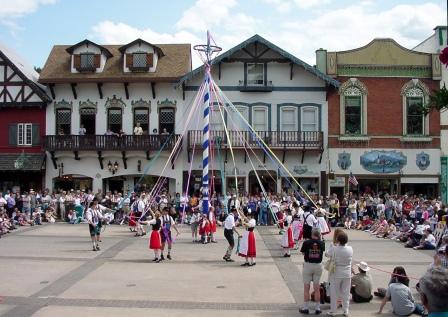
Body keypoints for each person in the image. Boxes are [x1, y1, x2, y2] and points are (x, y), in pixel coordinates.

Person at [299, 228, 325, 315]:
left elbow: (303, 253)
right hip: (318, 266)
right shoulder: (322, 243)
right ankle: (317, 308)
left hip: (308, 265)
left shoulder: (306, 242)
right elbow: (322, 252)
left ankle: (306, 307)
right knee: (317, 288)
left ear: (312, 234)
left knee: (306, 287)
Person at [327, 231, 353, 316]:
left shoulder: (334, 248)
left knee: (334, 292)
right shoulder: (350, 248)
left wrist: (331, 246)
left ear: (338, 240)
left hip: (336, 273)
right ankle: (346, 310)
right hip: (347, 273)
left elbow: (327, 254)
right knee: (346, 292)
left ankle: (333, 310)